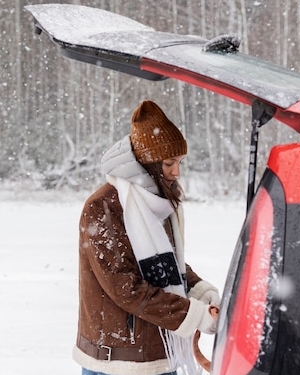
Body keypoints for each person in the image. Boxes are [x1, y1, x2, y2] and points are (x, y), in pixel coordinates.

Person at [73, 100, 221, 375]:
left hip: (159, 349)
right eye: (169, 163)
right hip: (118, 359)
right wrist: (192, 315)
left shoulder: (157, 200)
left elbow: (168, 265)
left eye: (179, 162)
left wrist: (201, 292)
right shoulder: (104, 207)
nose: (176, 172)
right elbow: (124, 287)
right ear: (147, 161)